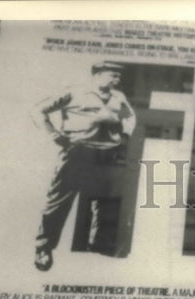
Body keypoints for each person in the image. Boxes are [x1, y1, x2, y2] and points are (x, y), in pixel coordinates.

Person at [31, 61, 136, 271]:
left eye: (118, 76)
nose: (117, 80)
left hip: (106, 154)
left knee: (104, 201)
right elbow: (37, 110)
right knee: (59, 202)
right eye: (112, 75)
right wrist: (53, 134)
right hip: (77, 152)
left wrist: (124, 135)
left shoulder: (119, 97)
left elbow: (131, 116)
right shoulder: (74, 93)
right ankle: (44, 247)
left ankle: (98, 247)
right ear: (97, 75)